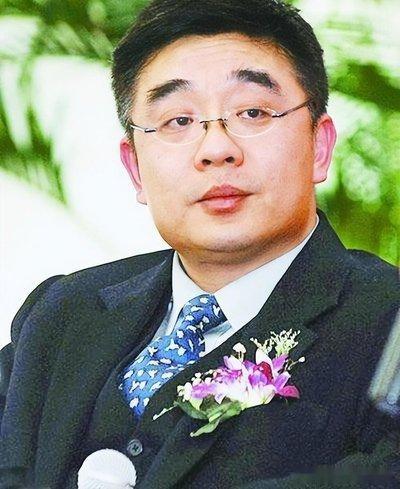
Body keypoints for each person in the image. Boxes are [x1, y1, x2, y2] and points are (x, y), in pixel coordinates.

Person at [0, 0, 398, 487]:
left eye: (252, 112)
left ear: (319, 146)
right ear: (135, 168)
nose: (216, 149)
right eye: (179, 121)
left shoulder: (389, 324)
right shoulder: (62, 313)